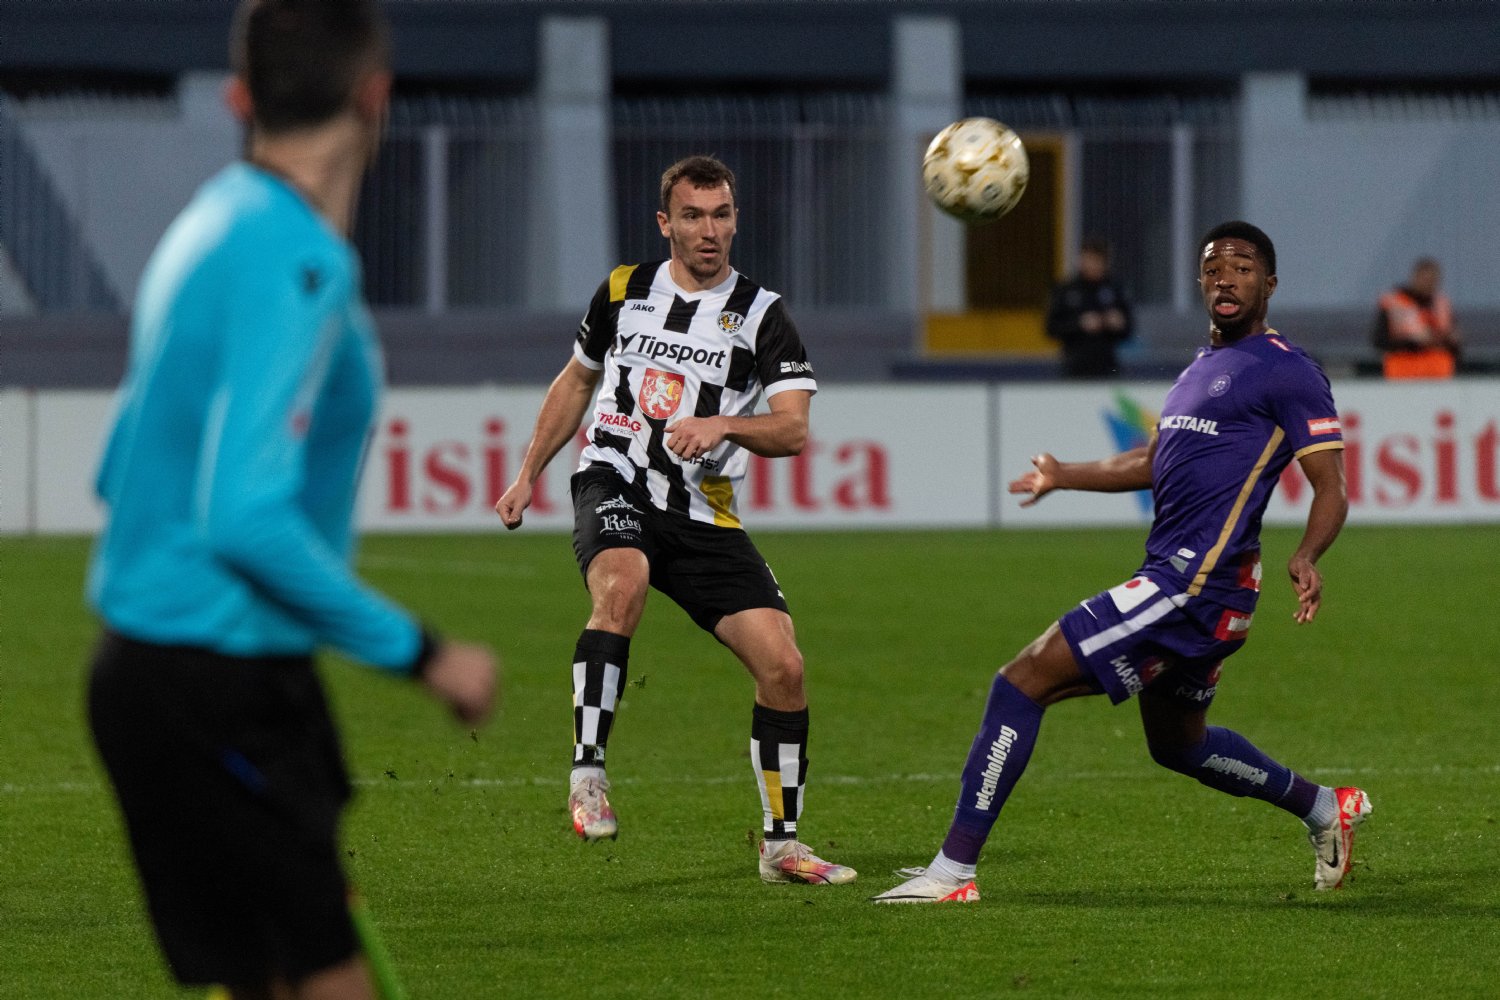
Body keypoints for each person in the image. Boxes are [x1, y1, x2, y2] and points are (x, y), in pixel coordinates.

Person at [85, 2, 498, 997]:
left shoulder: (210, 223)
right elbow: (241, 515)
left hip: (150, 674)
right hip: (221, 682)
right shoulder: (298, 260)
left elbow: (118, 465)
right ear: (374, 96)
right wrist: (424, 652)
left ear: (241, 99)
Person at [872, 221, 1371, 904]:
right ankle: (1323, 807)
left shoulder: (1288, 370)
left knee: (1021, 683)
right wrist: (1064, 475)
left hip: (1191, 585)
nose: (1225, 277)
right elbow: (1151, 462)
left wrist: (1308, 553)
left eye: (1243, 267)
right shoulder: (1200, 368)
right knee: (1179, 745)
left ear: (1270, 284)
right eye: (1213, 267)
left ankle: (952, 872)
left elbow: (1332, 485)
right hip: (1207, 594)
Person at [495, 154, 855, 887]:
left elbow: (792, 429)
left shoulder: (762, 314)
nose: (708, 230)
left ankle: (781, 847)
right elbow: (578, 380)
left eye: (721, 215)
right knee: (622, 585)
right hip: (616, 477)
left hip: (702, 514)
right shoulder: (623, 290)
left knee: (784, 667)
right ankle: (588, 773)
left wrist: (723, 424)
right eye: (692, 216)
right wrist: (528, 472)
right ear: (666, 223)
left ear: (736, 219)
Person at [1044, 236, 1134, 378]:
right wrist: (1079, 324)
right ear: (1081, 259)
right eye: (1090, 260)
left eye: (1099, 261)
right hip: (1074, 368)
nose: (1094, 265)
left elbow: (1129, 329)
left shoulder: (1115, 289)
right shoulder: (1065, 289)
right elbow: (1051, 328)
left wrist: (1117, 324)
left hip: (1108, 368)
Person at [1372, 257, 1460, 379]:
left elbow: (1456, 345)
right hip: (1402, 374)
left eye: (1433, 280)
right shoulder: (1394, 303)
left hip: (1438, 376)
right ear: (1415, 278)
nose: (1429, 284)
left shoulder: (1441, 305)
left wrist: (1449, 340)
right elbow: (1379, 341)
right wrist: (1412, 342)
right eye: (1425, 279)